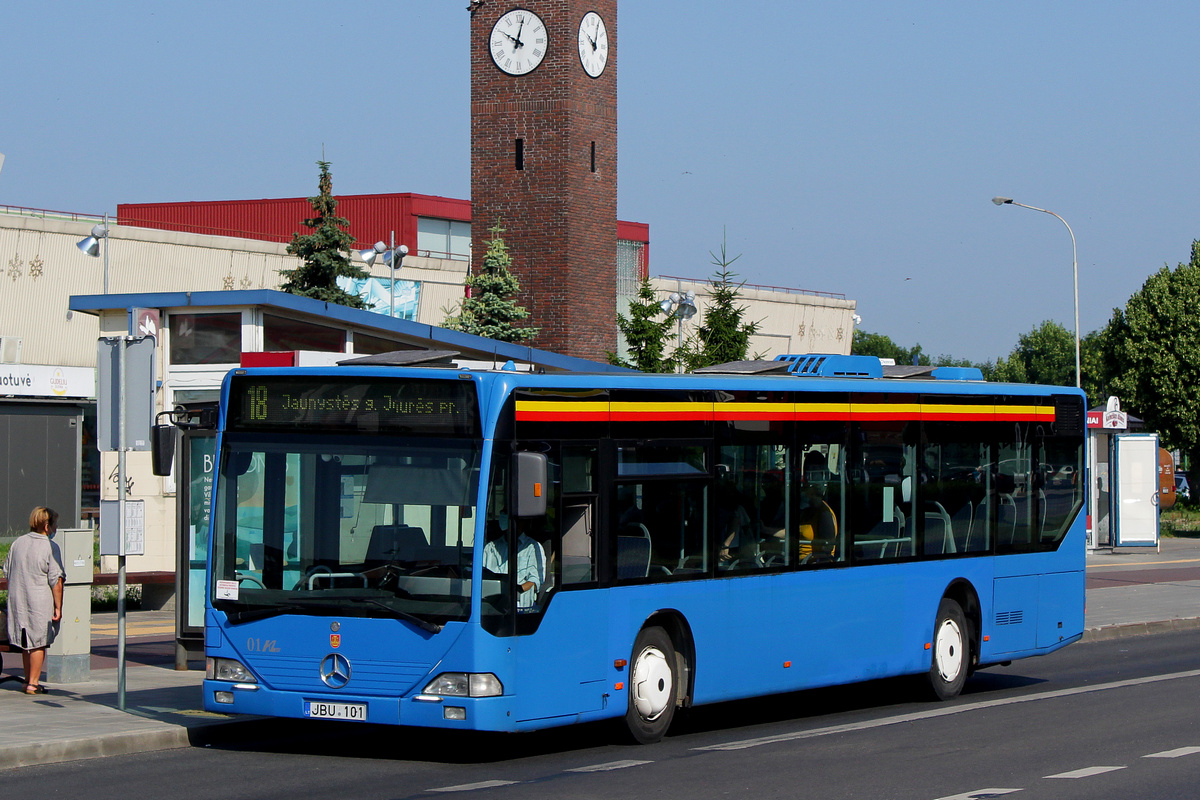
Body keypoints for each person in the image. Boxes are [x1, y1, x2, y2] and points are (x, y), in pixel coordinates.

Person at [4, 507, 65, 695]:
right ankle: (33, 683)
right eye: (55, 524)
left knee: (25, 642)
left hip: (17, 598)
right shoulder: (50, 546)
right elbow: (56, 580)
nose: (56, 528)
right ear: (47, 526)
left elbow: (7, 570)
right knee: (39, 641)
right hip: (38, 600)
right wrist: (58, 607)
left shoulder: (18, 543)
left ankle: (26, 680)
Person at [482, 517, 546, 611]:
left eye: (507, 513)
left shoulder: (533, 547)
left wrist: (515, 591)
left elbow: (535, 581)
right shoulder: (490, 547)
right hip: (491, 603)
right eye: (503, 512)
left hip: (518, 607)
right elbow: (482, 576)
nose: (504, 516)